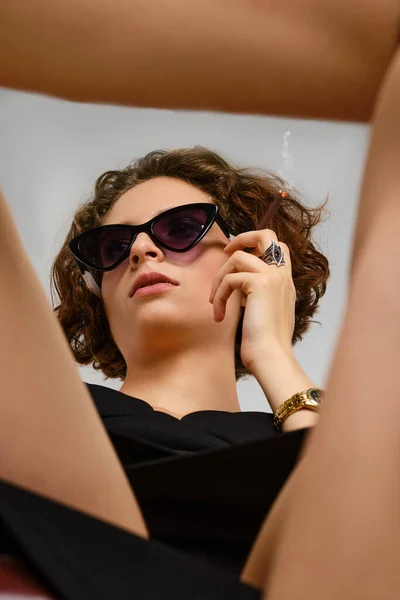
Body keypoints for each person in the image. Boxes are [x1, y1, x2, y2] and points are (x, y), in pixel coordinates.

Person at [1, 1, 400, 598]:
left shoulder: (317, 439)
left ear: (247, 259)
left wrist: (273, 356)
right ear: (99, 294)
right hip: (68, 536)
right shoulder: (37, 416)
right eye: (113, 246)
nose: (142, 252)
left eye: (180, 228)